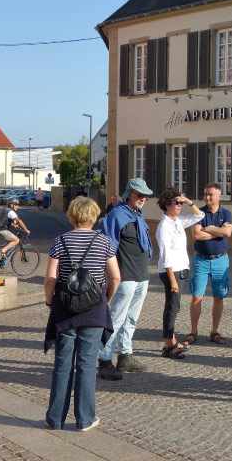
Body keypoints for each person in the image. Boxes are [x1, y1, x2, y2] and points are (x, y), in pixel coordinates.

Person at [43, 197, 121, 431]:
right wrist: (105, 299)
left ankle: (55, 418)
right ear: (94, 216)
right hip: (94, 308)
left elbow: (50, 278)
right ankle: (85, 419)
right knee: (87, 365)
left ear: (71, 215)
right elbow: (115, 276)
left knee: (62, 363)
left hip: (65, 308)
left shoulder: (60, 241)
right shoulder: (104, 241)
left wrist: (50, 302)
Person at [97, 178, 154, 379]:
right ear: (129, 194)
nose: (143, 198)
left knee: (131, 319)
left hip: (141, 275)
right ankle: (104, 361)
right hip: (125, 276)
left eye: (146, 195)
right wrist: (111, 275)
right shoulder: (117, 215)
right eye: (140, 195)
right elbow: (108, 245)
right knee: (116, 319)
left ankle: (125, 356)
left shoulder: (138, 214)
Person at [156, 188, 204, 359]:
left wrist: (189, 201)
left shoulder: (177, 221)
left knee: (174, 308)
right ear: (167, 205)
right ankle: (169, 346)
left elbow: (200, 216)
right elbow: (165, 255)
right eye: (176, 203)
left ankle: (172, 341)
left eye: (180, 202)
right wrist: (172, 280)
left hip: (181, 270)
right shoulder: (164, 226)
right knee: (171, 308)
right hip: (172, 272)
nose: (179, 205)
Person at [188, 182, 232, 346]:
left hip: (221, 259)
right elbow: (197, 236)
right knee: (196, 297)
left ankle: (214, 331)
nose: (207, 197)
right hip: (201, 259)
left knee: (218, 297)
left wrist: (207, 229)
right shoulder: (199, 213)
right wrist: (217, 231)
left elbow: (227, 232)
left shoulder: (226, 213)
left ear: (219, 196)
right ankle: (193, 331)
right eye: (205, 194)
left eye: (210, 194)